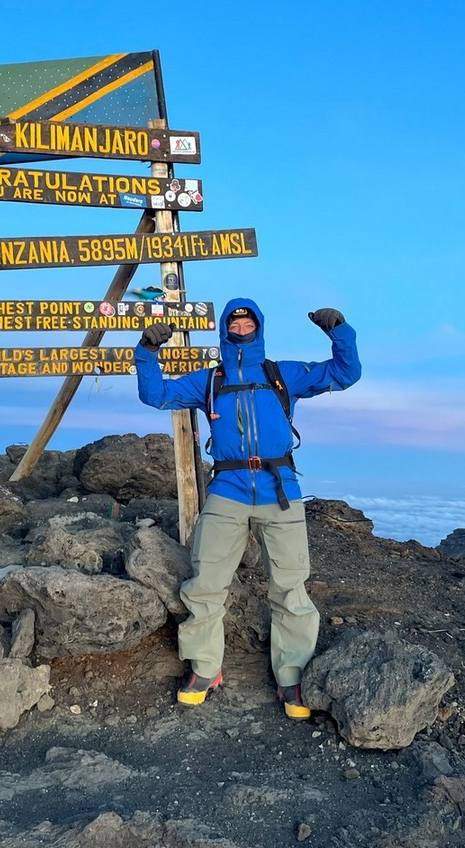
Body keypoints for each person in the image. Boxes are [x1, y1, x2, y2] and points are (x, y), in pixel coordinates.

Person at [134, 297, 361, 719]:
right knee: (205, 583)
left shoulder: (281, 374)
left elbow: (346, 373)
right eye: (234, 322)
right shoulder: (209, 381)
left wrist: (339, 330)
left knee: (290, 587)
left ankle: (291, 676)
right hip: (228, 488)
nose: (241, 327)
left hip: (281, 489)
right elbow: (157, 394)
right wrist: (147, 351)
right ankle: (205, 669)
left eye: (247, 321)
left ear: (258, 327)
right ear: (224, 329)